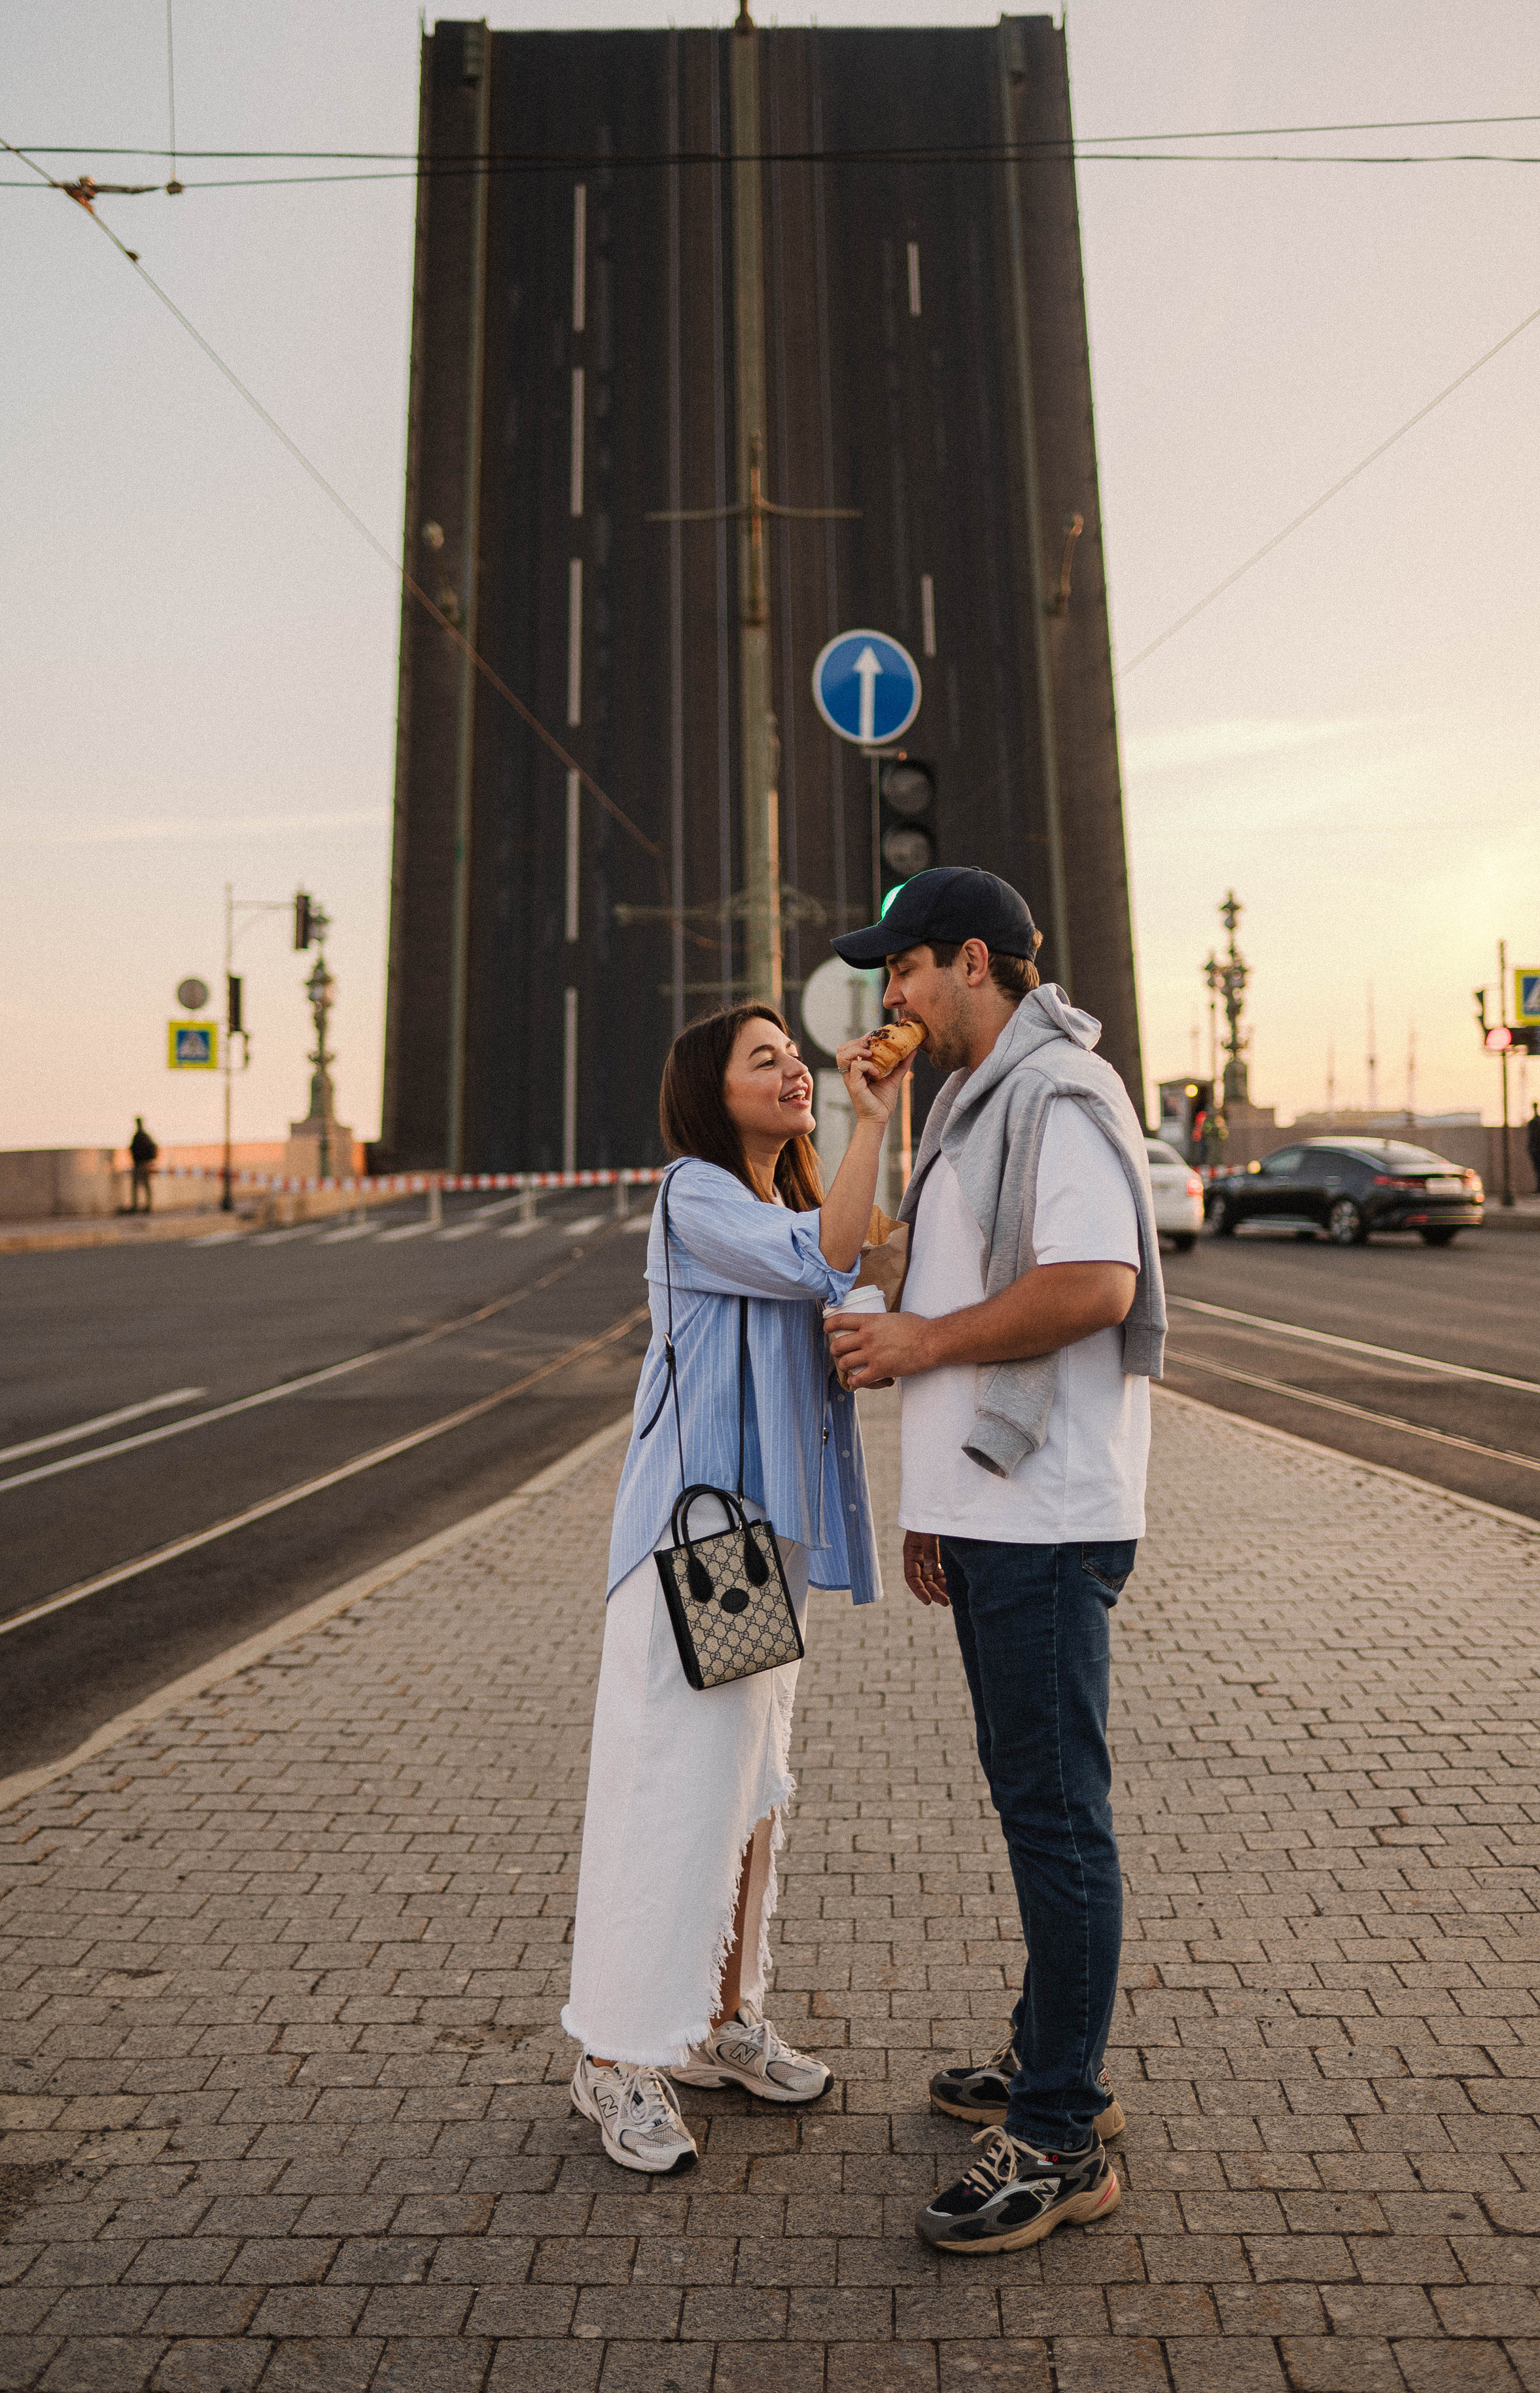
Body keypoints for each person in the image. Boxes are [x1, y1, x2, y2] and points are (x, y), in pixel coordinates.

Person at [826, 866, 1166, 2257]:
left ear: (971, 961)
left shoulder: (1058, 1094)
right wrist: (934, 1499)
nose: (888, 994)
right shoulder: (972, 1099)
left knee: (1056, 1816)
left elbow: (1093, 1284)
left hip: (1047, 1517)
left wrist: (915, 1345)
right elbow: (956, 1277)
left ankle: (1061, 2133)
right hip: (992, 1512)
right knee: (1036, 1802)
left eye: (901, 968)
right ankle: (1048, 2055)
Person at [563, 1003, 898, 2174]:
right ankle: (614, 2053)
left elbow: (861, 1260)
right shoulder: (696, 1194)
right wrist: (871, 1118)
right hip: (703, 1541)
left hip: (764, 1546)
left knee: (746, 1789)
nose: (795, 1069)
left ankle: (717, 2022)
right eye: (769, 1059)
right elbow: (828, 1260)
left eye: (794, 1055)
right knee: (672, 1790)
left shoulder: (781, 1202)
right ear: (714, 1092)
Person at [128, 1117, 158, 1214]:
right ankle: (146, 1206)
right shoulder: (144, 1136)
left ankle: (139, 1207)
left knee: (139, 1186)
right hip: (144, 1164)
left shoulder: (139, 1136)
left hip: (141, 1164)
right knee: (144, 1186)